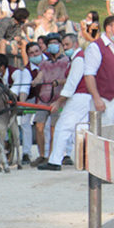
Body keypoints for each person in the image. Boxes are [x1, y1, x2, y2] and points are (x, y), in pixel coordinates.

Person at [42, 16, 114, 171]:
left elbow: (73, 82)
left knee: (64, 127)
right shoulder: (87, 53)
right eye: (63, 45)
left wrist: (60, 101)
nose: (65, 47)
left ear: (76, 44)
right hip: (91, 96)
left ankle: (55, 160)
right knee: (84, 129)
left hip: (81, 96)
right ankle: (84, 159)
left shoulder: (79, 58)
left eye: (67, 44)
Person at [30, 33, 70, 166]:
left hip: (59, 99)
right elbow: (40, 76)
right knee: (39, 125)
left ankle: (52, 156)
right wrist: (35, 81)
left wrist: (59, 82)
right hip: (44, 98)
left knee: (54, 128)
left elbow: (71, 79)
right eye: (51, 43)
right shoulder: (44, 63)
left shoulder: (67, 61)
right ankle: (42, 155)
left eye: (56, 42)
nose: (54, 45)